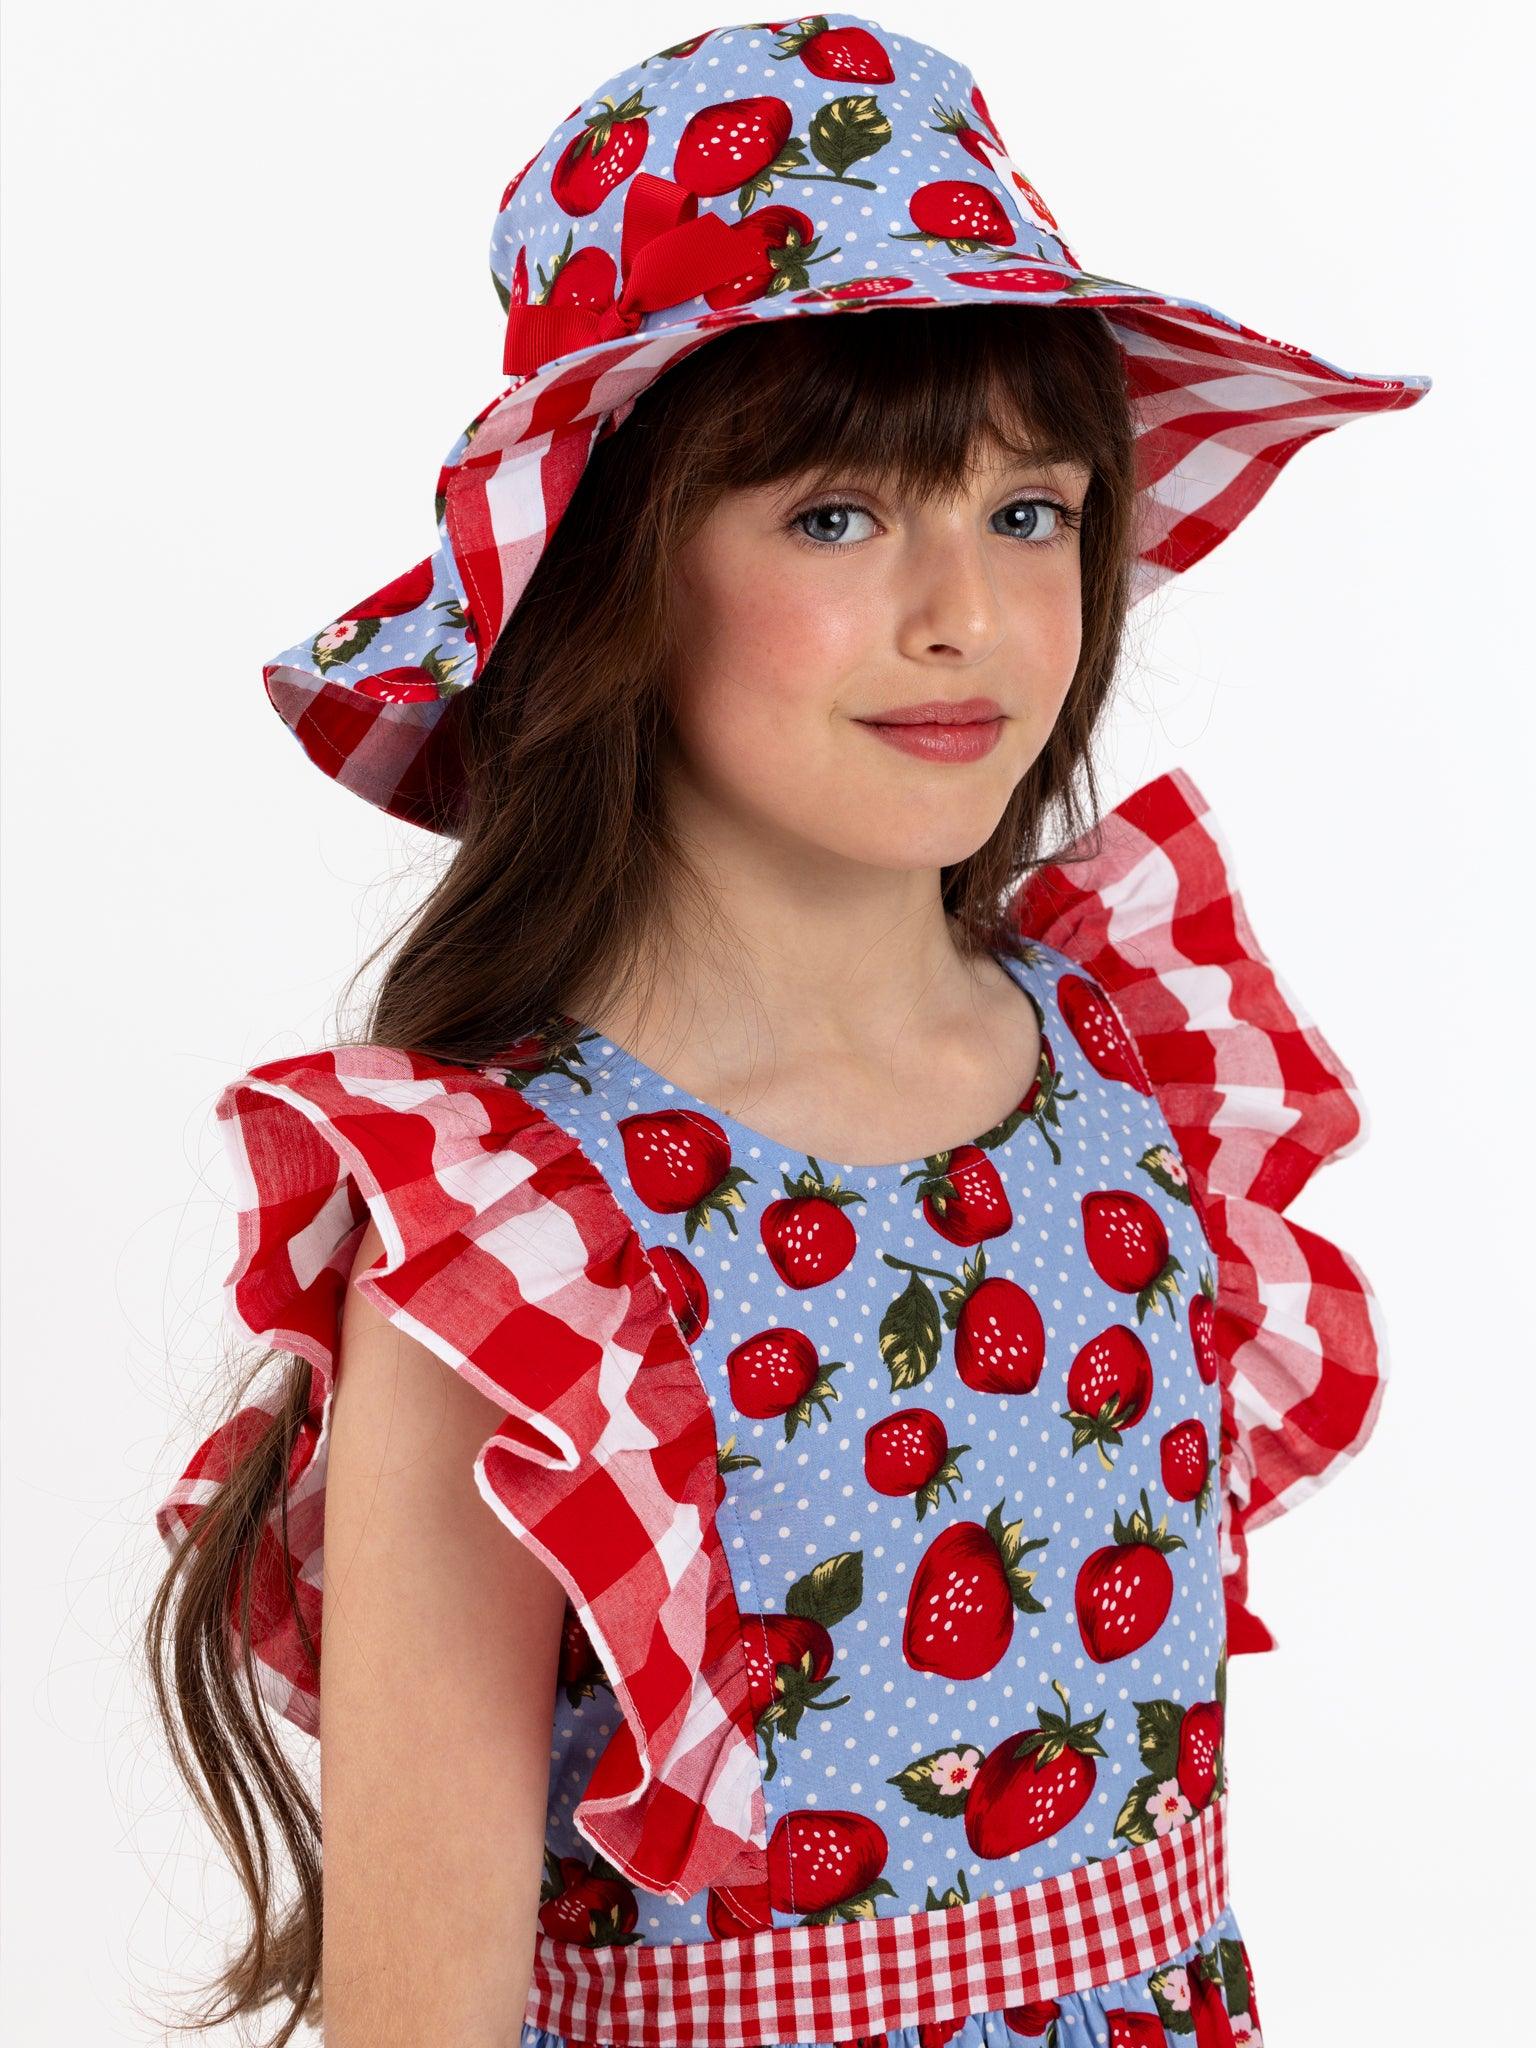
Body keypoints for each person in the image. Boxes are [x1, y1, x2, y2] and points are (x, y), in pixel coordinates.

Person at [144, 13, 1430, 2047]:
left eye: (1031, 508)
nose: (968, 613)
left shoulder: (1136, 1074)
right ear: (617, 578)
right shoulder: (523, 1246)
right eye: (839, 514)